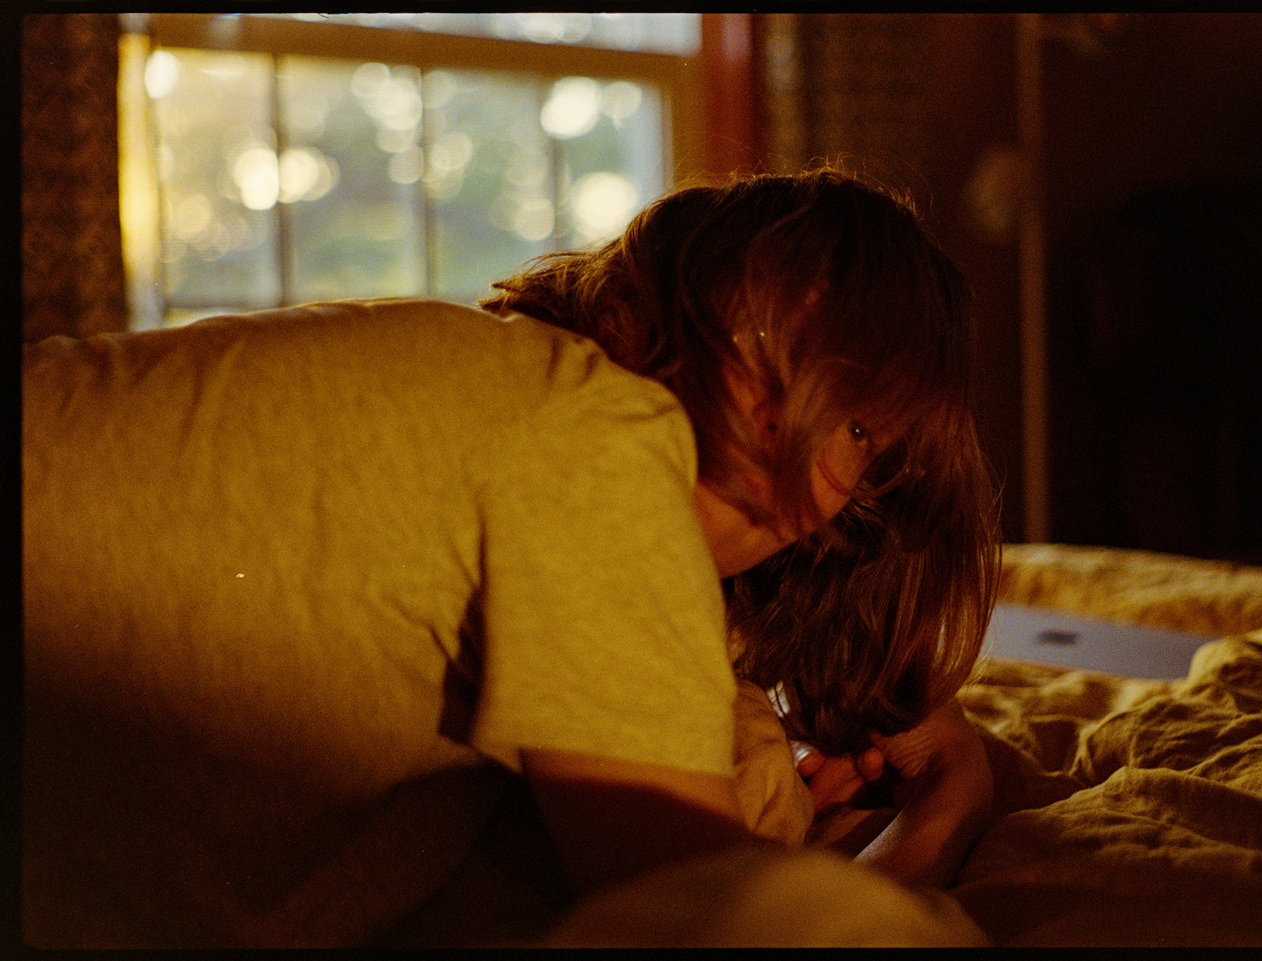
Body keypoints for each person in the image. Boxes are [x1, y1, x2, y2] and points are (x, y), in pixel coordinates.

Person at [22, 167, 998, 947]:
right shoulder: (595, 435)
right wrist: (942, 819)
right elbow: (717, 924)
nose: (784, 408)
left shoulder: (511, 395)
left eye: (858, 421)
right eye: (771, 337)